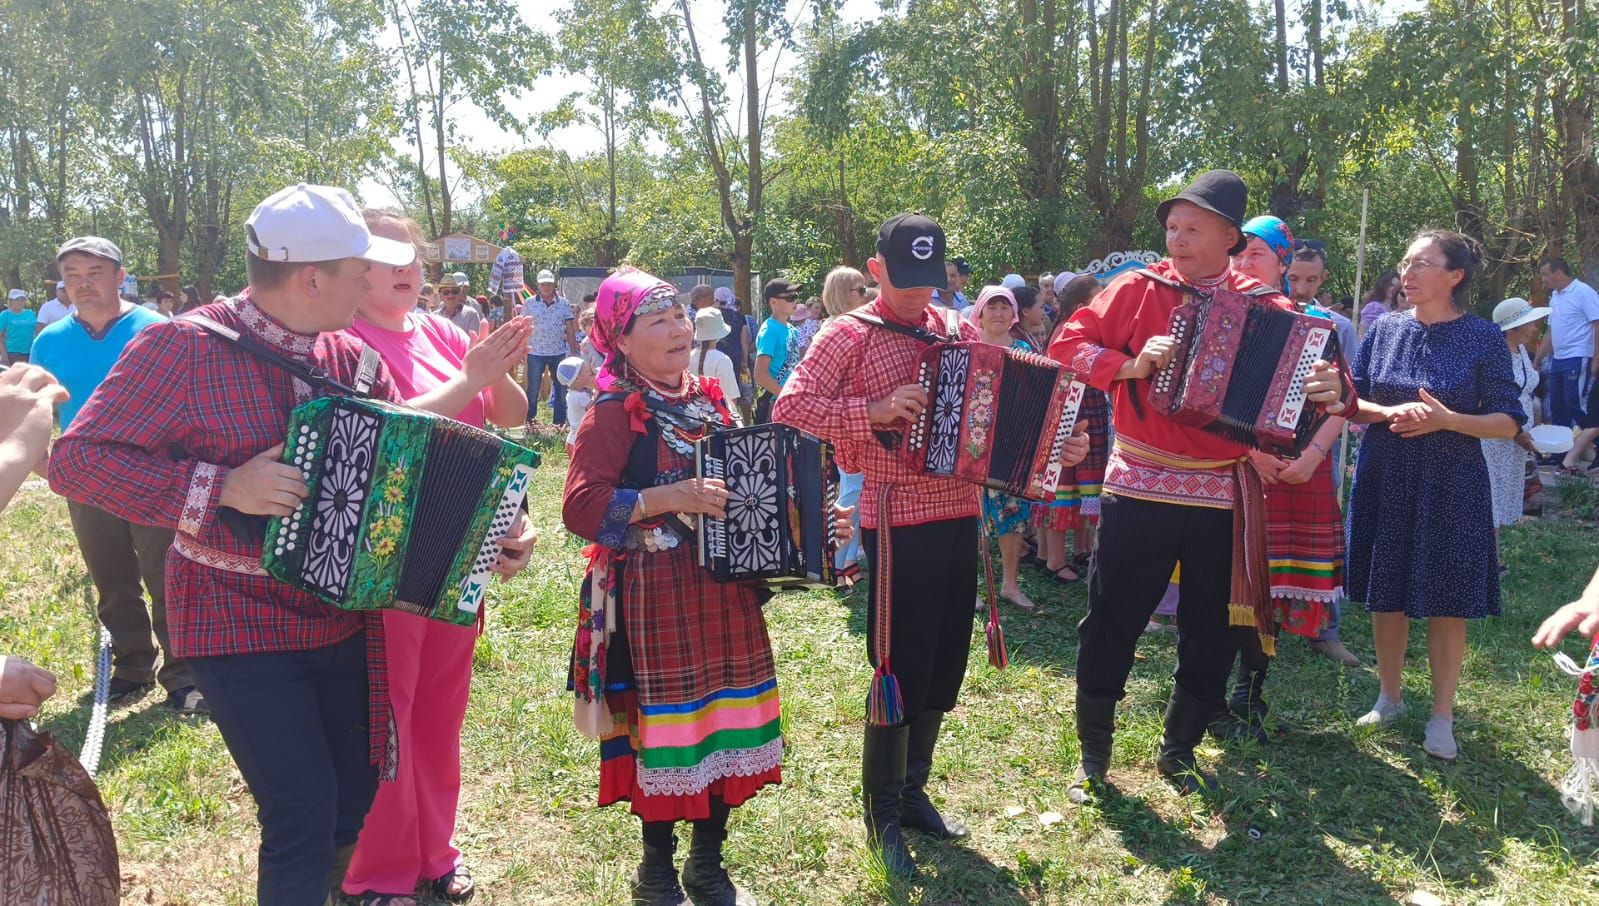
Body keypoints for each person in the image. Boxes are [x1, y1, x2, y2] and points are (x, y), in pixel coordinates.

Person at [47, 185, 535, 905]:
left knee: (350, 804)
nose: (372, 283)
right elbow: (76, 461)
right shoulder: (181, 346)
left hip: (343, 614)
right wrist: (222, 488)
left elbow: (388, 455)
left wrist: (480, 534)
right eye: (358, 268)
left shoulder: (346, 352)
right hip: (236, 619)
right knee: (301, 815)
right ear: (314, 277)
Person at [775, 214, 1087, 877]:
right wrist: (873, 410)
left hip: (958, 518)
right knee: (899, 664)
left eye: (929, 280)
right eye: (904, 280)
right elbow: (790, 411)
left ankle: (913, 792)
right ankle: (880, 810)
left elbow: (1000, 409)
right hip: (892, 517)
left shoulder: (957, 329)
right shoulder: (844, 334)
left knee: (945, 658)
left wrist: (1054, 447)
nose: (918, 295)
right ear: (876, 269)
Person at [1050, 170, 1352, 799]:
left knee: (1211, 625)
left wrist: (1328, 390)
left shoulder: (1272, 309)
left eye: (1193, 228)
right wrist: (1129, 365)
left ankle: (1179, 747)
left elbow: (1328, 391)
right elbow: (1066, 344)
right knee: (1114, 617)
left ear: (1229, 238)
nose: (1178, 239)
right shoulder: (1136, 288)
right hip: (1138, 480)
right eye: (1173, 227)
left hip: (1223, 488)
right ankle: (1093, 755)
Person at [562, 269, 777, 906]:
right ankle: (656, 872)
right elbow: (579, 507)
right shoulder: (610, 412)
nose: (679, 329)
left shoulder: (710, 398)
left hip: (723, 592)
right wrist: (668, 497)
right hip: (653, 596)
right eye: (656, 321)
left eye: (680, 316)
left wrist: (802, 517)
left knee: (722, 725)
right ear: (620, 341)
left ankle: (707, 865)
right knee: (666, 733)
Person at [340, 208, 532, 906]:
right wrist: (472, 373)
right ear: (347, 267)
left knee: (439, 715)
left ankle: (434, 853)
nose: (404, 271)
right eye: (383, 257)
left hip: (459, 547)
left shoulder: (445, 331)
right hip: (383, 561)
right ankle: (376, 874)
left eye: (411, 257)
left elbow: (503, 419)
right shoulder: (339, 341)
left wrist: (496, 368)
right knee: (388, 718)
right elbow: (383, 435)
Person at [1331, 229, 1521, 762]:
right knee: (1386, 590)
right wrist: (1391, 412)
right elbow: (1353, 401)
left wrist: (1448, 420)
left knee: (1446, 599)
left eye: (1422, 264)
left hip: (1452, 481)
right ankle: (1388, 696)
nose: (1407, 273)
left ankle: (1442, 715)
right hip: (1385, 475)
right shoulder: (1384, 329)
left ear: (1454, 276)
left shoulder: (1483, 337)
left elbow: (1508, 421)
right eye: (1405, 261)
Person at [32, 239, 192, 711]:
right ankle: (131, 664)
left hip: (153, 470)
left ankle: (183, 674)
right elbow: (40, 408)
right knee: (111, 576)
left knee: (166, 574)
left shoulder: (158, 329)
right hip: (86, 476)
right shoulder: (50, 340)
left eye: (95, 271)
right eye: (73, 273)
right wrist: (46, 462)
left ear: (120, 276)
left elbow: (188, 401)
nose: (83, 281)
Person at [1223, 216, 1354, 743]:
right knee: (1230, 581)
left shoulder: (1315, 325)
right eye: (1237, 253)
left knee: (1271, 584)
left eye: (1255, 253)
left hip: (1301, 468)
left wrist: (1313, 456)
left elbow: (1344, 399)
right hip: (1233, 466)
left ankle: (1250, 689)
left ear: (1282, 262)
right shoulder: (1220, 313)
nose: (1242, 262)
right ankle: (1210, 692)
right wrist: (1249, 453)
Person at [1036, 275, 1111, 585]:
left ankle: (1070, 552)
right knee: (1061, 488)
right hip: (1068, 418)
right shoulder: (1068, 334)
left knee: (1078, 489)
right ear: (1082, 306)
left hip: (1085, 413)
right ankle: (1054, 561)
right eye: (1100, 299)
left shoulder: (1083, 332)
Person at [971, 286, 1038, 611]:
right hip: (970, 449)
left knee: (1012, 518)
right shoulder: (967, 348)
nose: (998, 313)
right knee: (970, 519)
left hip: (1011, 448)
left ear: (1014, 314)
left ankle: (1010, 584)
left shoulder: (1026, 350)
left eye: (1004, 307)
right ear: (980, 312)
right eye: (991, 306)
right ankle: (971, 588)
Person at [1482, 297, 1547, 549]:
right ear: (1512, 328)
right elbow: (1493, 398)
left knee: (1505, 490)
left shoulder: (1520, 350)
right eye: (1529, 323)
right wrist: (1517, 430)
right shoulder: (1496, 355)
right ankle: (1491, 557)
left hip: (1518, 436)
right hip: (1499, 435)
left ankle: (1494, 553)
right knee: (1493, 493)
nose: (1534, 328)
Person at [820, 265, 869, 582]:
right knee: (851, 493)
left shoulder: (852, 325)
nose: (867, 296)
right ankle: (836, 562)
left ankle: (846, 559)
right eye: (860, 290)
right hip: (848, 423)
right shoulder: (837, 330)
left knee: (857, 492)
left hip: (859, 421)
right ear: (842, 294)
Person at [1536, 258, 1599, 445]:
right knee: (1557, 406)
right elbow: (1551, 331)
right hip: (1558, 359)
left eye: (1545, 274)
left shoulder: (1583, 292)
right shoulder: (1555, 296)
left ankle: (1594, 445)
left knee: (1576, 403)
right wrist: (1537, 360)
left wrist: (1596, 358)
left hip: (1579, 356)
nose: (1543, 279)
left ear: (1558, 273)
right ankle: (1560, 451)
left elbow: (1597, 323)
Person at [522, 268, 578, 428]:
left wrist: (573, 352)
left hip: (558, 352)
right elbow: (523, 326)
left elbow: (570, 328)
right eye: (542, 284)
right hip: (535, 351)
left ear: (554, 285)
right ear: (538, 286)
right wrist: (522, 347)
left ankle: (559, 423)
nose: (546, 287)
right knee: (533, 388)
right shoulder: (529, 303)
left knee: (561, 388)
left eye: (548, 284)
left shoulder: (564, 304)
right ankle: (530, 420)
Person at [752, 279, 800, 423]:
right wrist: (786, 395)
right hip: (775, 403)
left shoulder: (792, 329)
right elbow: (760, 375)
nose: (795, 302)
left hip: (793, 401)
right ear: (773, 302)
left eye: (796, 297)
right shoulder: (769, 331)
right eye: (790, 298)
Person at [691, 307, 743, 428]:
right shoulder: (722, 360)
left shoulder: (687, 357)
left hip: (691, 422)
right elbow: (730, 399)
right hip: (718, 423)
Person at [1, 289, 38, 364]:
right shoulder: (5, 315)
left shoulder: (30, 314)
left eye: (22, 300)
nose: (20, 302)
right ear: (11, 301)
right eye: (17, 300)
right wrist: (3, 354)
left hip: (30, 351)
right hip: (12, 352)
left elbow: (36, 332)